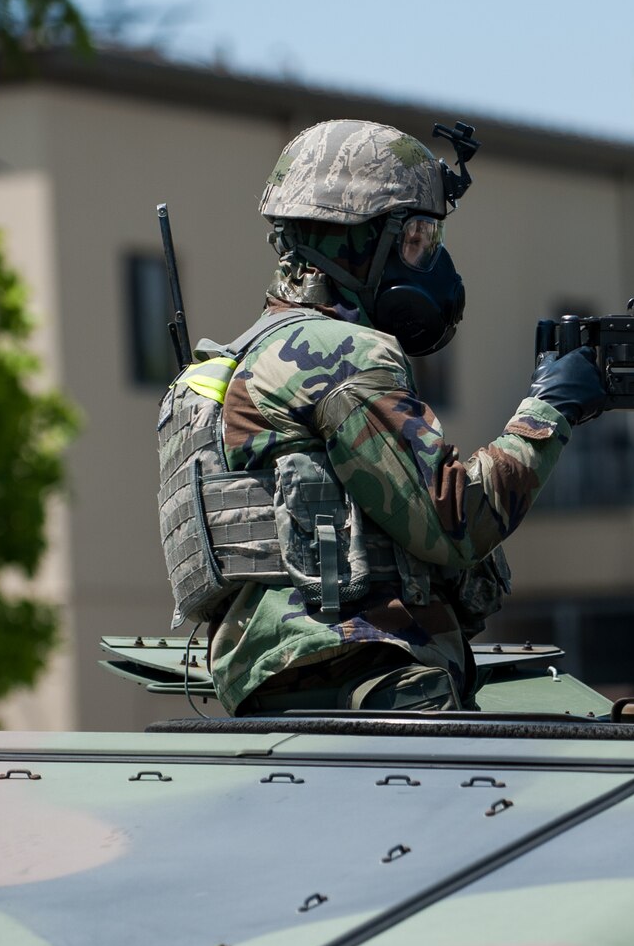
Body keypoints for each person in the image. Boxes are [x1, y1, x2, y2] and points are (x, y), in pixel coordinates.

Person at [158, 118, 603, 714]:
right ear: (355, 243)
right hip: (372, 678)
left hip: (281, 685)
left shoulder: (234, 362)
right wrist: (551, 407)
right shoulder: (333, 353)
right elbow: (455, 521)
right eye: (416, 239)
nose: (428, 264)